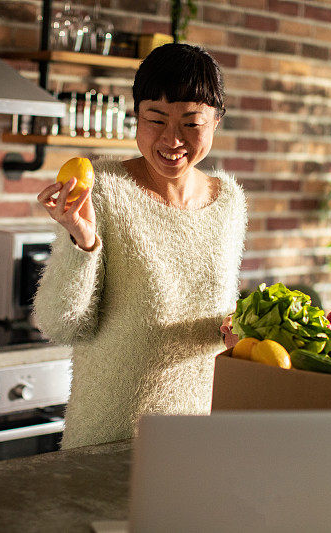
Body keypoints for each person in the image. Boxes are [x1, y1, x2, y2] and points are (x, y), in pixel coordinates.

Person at [33, 43, 248, 449]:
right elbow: (60, 325)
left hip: (199, 432)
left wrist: (241, 332)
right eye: (156, 118)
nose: (172, 139)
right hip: (108, 434)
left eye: (191, 122)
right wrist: (82, 241)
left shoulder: (229, 201)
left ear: (216, 122)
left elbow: (220, 320)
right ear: (136, 117)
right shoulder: (102, 189)